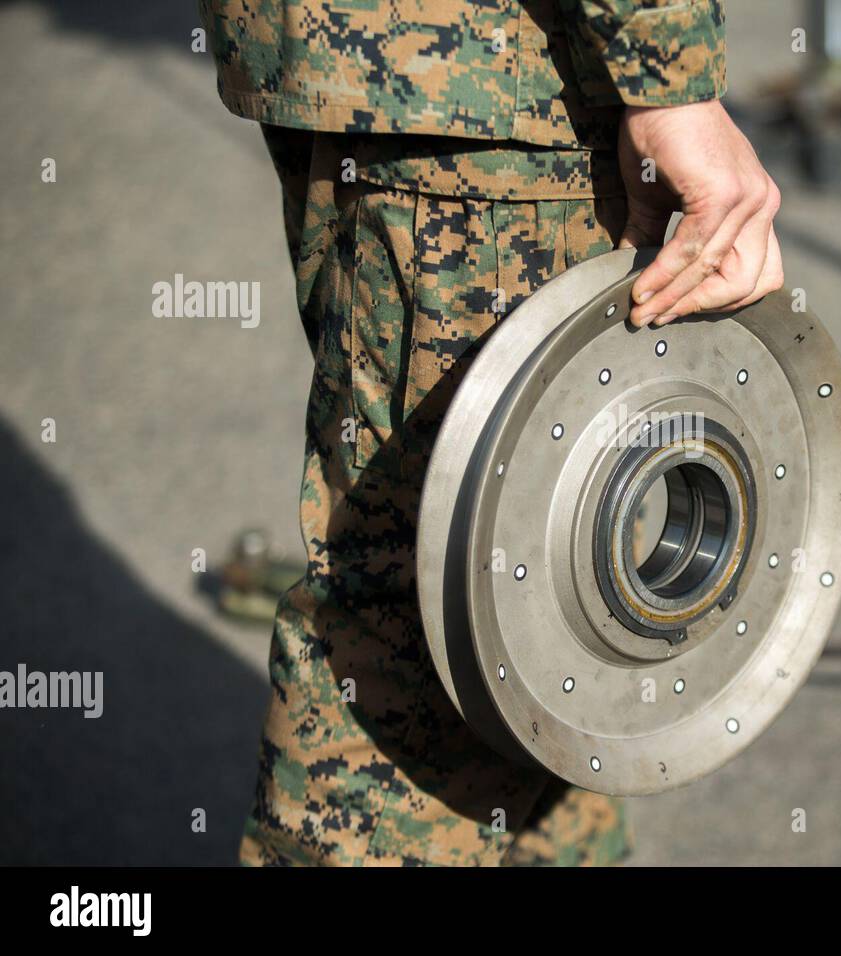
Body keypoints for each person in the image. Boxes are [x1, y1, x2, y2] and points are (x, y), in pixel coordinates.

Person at [200, 0, 782, 865]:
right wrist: (671, 85)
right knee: (442, 630)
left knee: (561, 606)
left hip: (403, 68)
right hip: (491, 85)